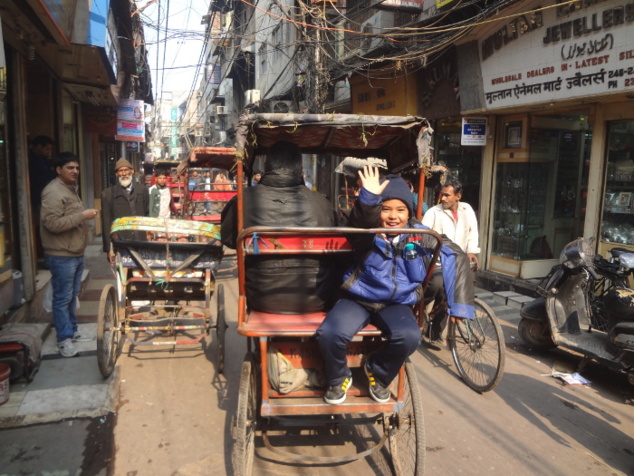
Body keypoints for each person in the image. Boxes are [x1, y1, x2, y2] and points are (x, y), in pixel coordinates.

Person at [316, 167, 474, 404]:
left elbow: (456, 255)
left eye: (400, 210)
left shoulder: (419, 233)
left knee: (410, 337)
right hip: (358, 298)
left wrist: (459, 306)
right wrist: (368, 199)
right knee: (329, 334)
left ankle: (377, 373)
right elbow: (359, 224)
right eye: (386, 209)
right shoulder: (367, 232)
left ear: (408, 212)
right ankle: (339, 378)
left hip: (397, 302)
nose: (393, 216)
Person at [221, 140, 339, 314]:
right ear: (300, 171)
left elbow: (229, 240)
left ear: (266, 167)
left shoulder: (242, 200)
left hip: (262, 298)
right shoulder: (323, 203)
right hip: (318, 298)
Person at [40, 152, 99, 357]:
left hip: (74, 252)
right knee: (63, 298)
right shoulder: (53, 192)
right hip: (61, 254)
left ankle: (72, 331)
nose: (75, 171)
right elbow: (52, 224)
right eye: (70, 168)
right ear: (59, 169)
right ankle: (63, 339)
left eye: (76, 167)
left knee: (72, 295)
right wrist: (82, 215)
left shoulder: (70, 189)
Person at [422, 178, 480, 344]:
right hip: (437, 260)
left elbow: (472, 231)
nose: (443, 199)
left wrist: (471, 251)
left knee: (452, 293)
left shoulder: (467, 209)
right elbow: (425, 236)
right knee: (437, 285)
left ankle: (435, 333)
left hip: (458, 260)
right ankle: (418, 306)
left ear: (458, 196)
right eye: (442, 195)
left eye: (447, 195)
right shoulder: (433, 212)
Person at [101, 158, 149, 263]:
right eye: (120, 171)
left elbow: (147, 213)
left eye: (126, 170)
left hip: (141, 239)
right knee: (123, 274)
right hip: (121, 241)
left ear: (132, 171)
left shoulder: (143, 190)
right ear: (117, 174)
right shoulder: (108, 194)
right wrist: (109, 249)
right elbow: (106, 222)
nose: (123, 173)